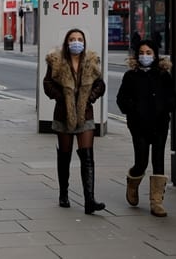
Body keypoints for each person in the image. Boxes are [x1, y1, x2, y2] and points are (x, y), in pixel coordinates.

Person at [43, 28, 106, 214]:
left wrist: (91, 98)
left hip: (85, 113)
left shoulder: (91, 61)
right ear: (66, 42)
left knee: (87, 156)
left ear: (84, 42)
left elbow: (100, 84)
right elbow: (47, 84)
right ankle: (64, 194)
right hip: (63, 114)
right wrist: (62, 97)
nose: (76, 42)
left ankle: (89, 200)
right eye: (72, 39)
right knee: (65, 154)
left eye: (79, 39)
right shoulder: (57, 62)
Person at [116, 39, 176, 217]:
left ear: (155, 55)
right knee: (141, 161)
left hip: (159, 124)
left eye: (149, 53)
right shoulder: (131, 76)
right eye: (142, 52)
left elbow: (172, 97)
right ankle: (132, 182)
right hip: (139, 125)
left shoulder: (164, 75)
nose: (145, 56)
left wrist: (166, 107)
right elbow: (121, 99)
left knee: (158, 160)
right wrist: (133, 110)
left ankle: (156, 201)